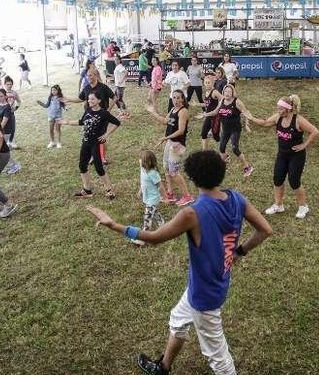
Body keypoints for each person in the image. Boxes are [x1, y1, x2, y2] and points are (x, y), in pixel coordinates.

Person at [86, 150, 273, 375]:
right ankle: (163, 367)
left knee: (219, 358)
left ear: (192, 179)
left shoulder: (193, 213)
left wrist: (114, 225)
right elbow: (265, 230)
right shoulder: (237, 198)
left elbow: (154, 238)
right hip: (211, 283)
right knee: (178, 319)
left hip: (205, 295)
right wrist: (239, 251)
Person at [244, 95, 319, 219]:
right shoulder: (278, 117)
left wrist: (304, 145)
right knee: (277, 179)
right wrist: (251, 117)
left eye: (280, 109)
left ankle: (303, 206)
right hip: (282, 154)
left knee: (294, 181)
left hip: (296, 156)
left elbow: (315, 131)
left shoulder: (298, 120)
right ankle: (279, 205)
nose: (278, 111)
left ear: (288, 109)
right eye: (277, 108)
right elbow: (265, 123)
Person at [60, 92, 122, 199]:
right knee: (82, 166)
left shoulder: (104, 113)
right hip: (86, 142)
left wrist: (106, 135)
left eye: (92, 99)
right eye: (89, 99)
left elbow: (117, 122)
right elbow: (81, 122)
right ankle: (87, 190)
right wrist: (67, 122)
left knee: (99, 168)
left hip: (96, 144)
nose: (89, 101)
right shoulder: (88, 110)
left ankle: (109, 190)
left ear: (99, 101)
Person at [146, 90, 194, 207]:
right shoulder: (173, 110)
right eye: (174, 98)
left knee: (174, 172)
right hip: (170, 142)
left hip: (178, 145)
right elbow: (164, 121)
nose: (176, 100)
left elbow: (181, 130)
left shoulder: (183, 111)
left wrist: (166, 137)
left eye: (178, 98)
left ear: (183, 99)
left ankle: (187, 196)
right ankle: (170, 193)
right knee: (166, 168)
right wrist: (152, 112)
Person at [197, 84, 253, 178]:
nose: (227, 93)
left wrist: (247, 124)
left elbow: (245, 112)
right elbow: (215, 111)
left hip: (235, 129)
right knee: (221, 148)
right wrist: (205, 115)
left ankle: (247, 167)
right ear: (223, 92)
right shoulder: (222, 101)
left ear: (232, 93)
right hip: (225, 129)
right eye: (225, 91)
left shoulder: (236, 102)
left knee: (235, 149)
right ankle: (225, 160)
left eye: (229, 92)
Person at [134, 149, 164, 245]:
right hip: (147, 198)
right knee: (154, 212)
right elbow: (143, 183)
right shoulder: (143, 169)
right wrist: (140, 191)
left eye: (140, 159)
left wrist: (165, 197)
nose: (139, 160)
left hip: (153, 199)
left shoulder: (153, 173)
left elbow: (161, 186)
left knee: (147, 218)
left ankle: (143, 238)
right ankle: (163, 225)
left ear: (145, 162)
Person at [0, 89, 22, 175]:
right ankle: (9, 165)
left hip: (6, 131)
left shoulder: (7, 107)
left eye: (1, 96)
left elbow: (4, 122)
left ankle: (14, 165)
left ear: (5, 96)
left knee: (2, 150)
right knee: (1, 150)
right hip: (0, 130)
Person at [199, 74, 222, 151]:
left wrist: (218, 109)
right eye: (205, 83)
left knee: (216, 136)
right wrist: (197, 104)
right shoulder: (206, 92)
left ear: (212, 83)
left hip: (215, 117)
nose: (207, 84)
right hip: (208, 116)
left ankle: (223, 152)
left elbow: (223, 100)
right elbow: (207, 103)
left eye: (209, 83)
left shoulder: (214, 92)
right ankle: (204, 152)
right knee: (203, 133)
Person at [2, 76, 22, 149]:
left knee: (12, 128)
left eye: (10, 84)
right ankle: (4, 142)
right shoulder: (2, 92)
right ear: (4, 84)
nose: (9, 86)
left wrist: (16, 108)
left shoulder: (14, 93)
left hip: (11, 113)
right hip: (3, 114)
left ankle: (10, 142)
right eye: (7, 84)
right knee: (3, 128)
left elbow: (19, 101)